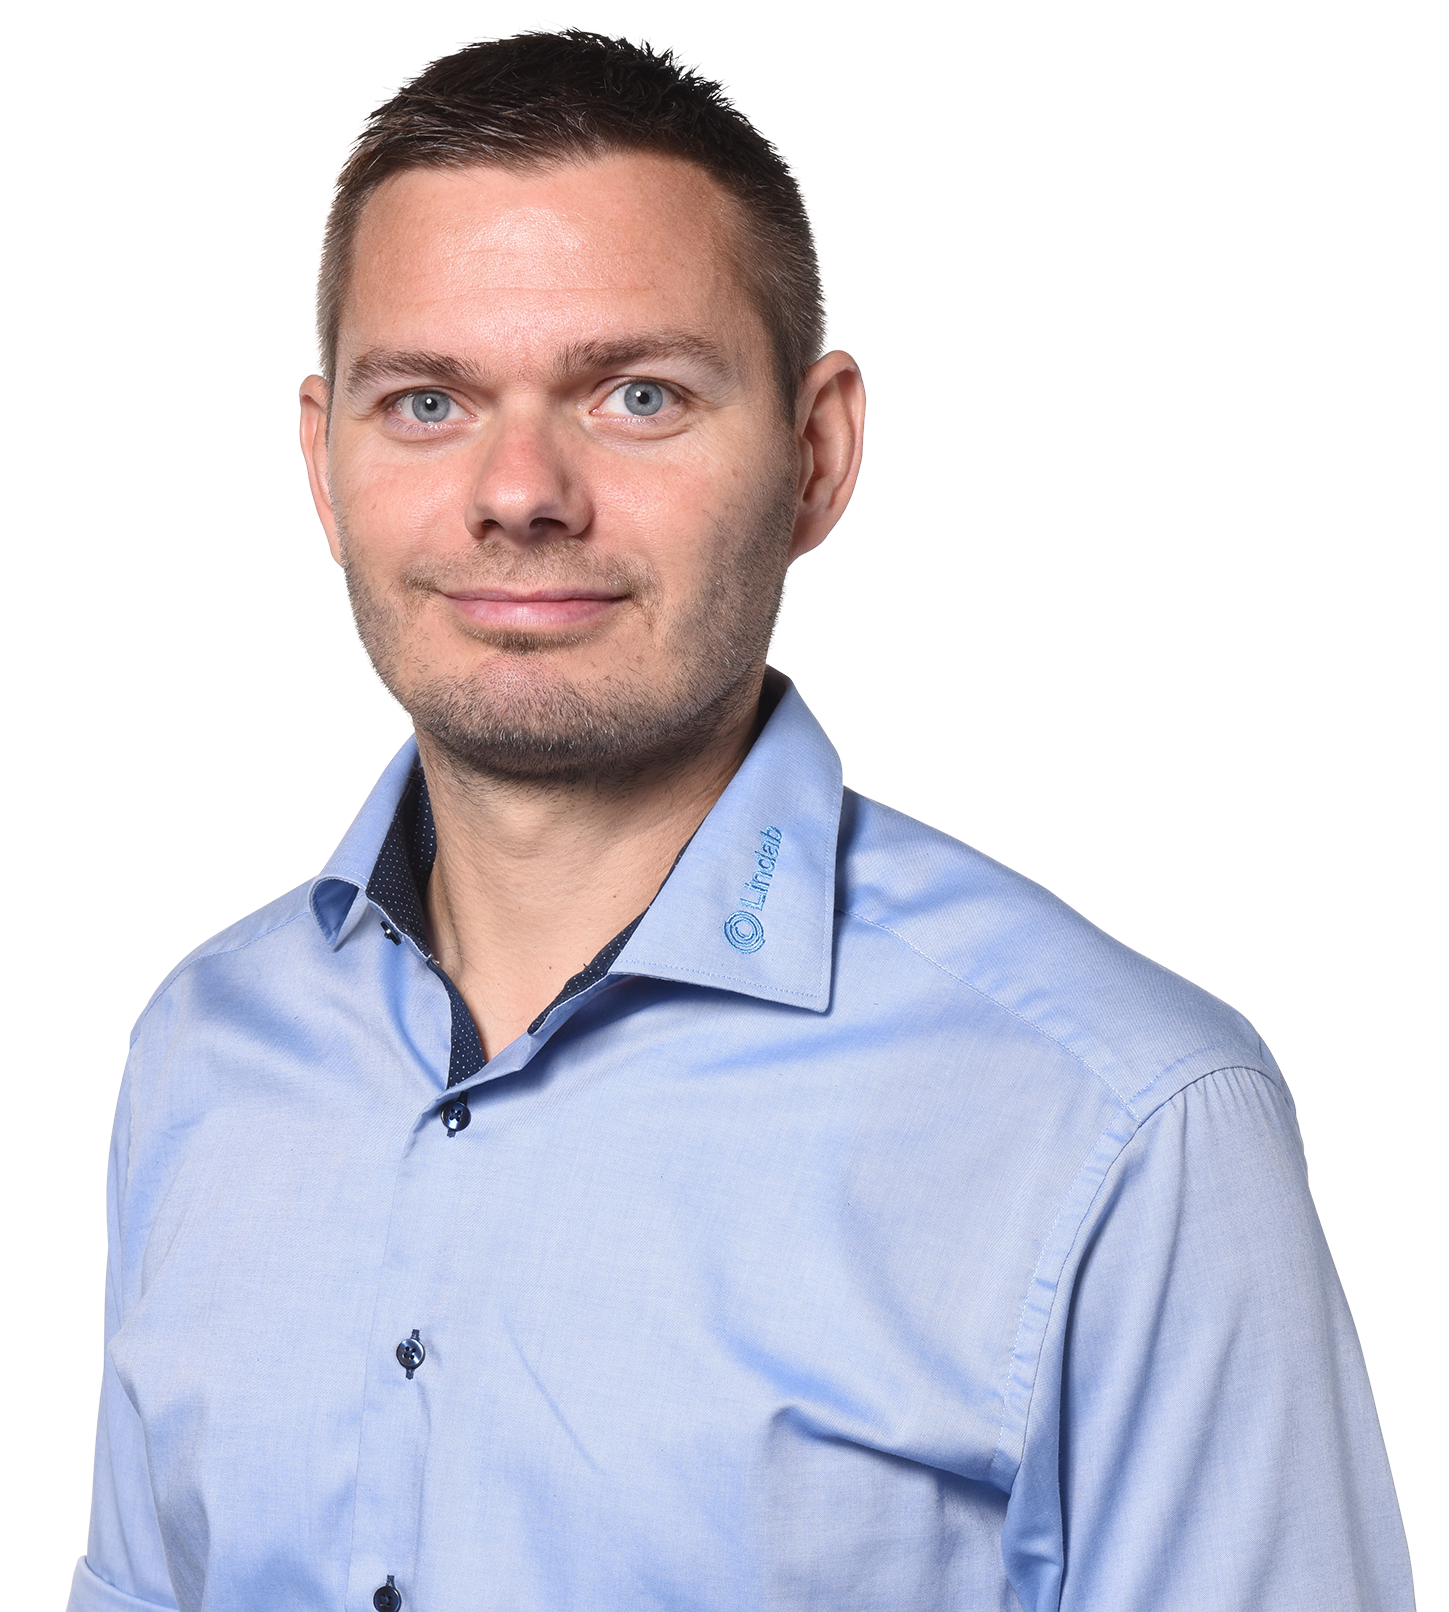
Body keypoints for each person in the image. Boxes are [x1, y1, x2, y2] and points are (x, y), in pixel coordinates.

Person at [70, 27, 1416, 1612]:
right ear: (323, 462)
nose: (519, 491)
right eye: (427, 402)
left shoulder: (1124, 1125)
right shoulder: (206, 1055)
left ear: (817, 454)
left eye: (636, 395)